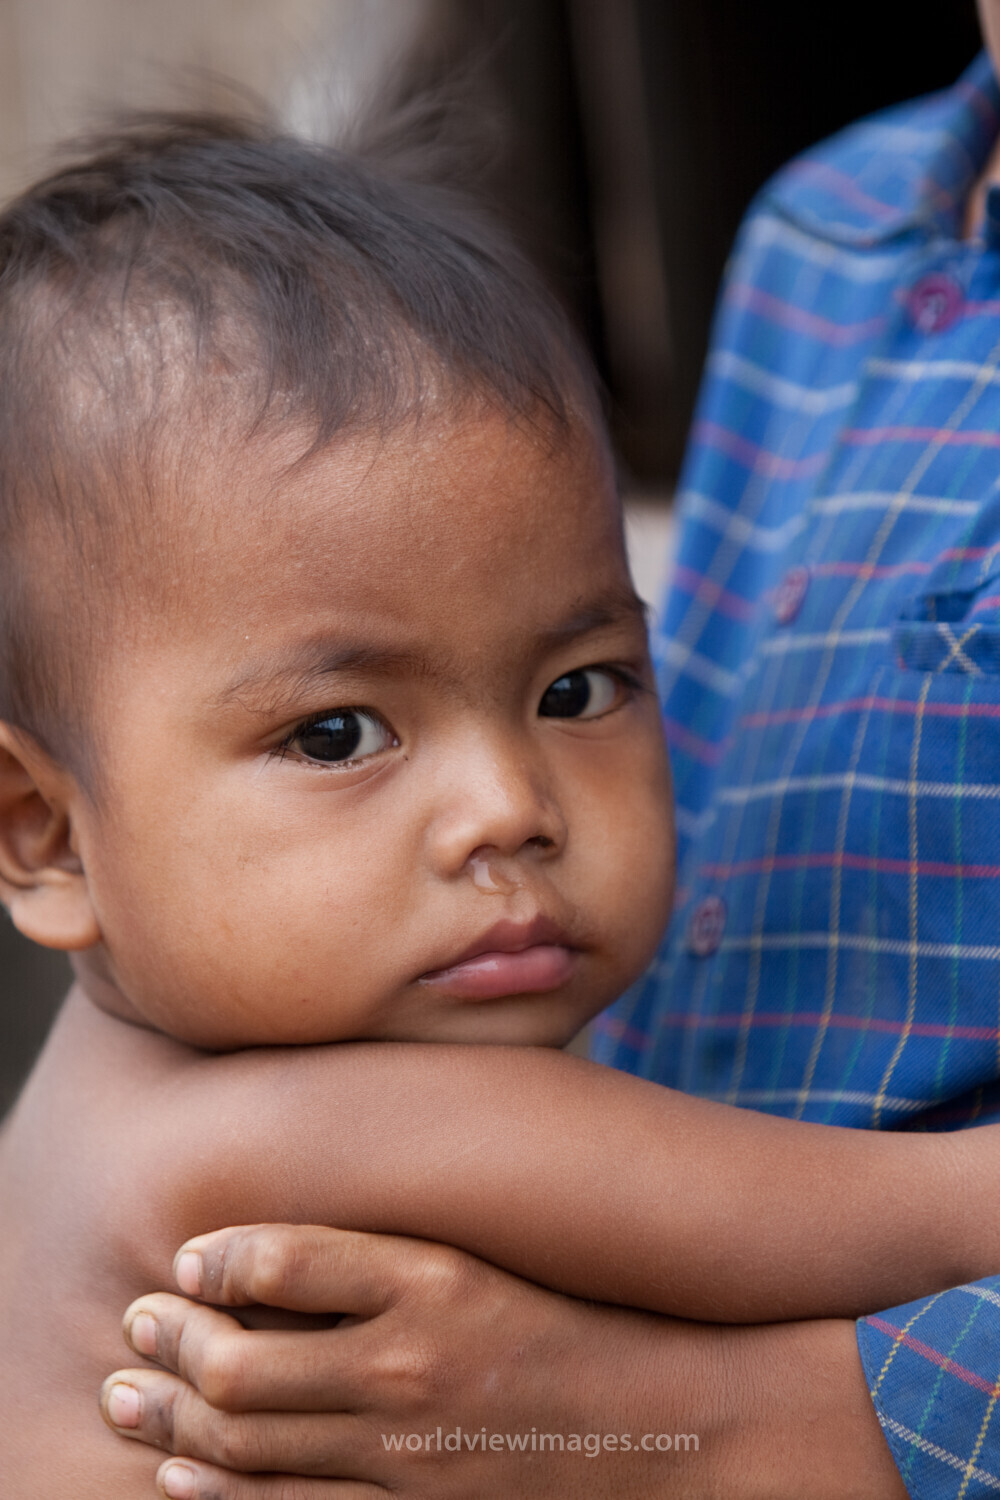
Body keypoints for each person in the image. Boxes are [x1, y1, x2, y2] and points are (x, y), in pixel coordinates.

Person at [0, 100, 992, 1500]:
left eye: (577, 690)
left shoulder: (98, 1104)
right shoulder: (280, 1133)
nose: (509, 807)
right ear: (44, 834)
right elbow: (914, 1217)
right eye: (338, 734)